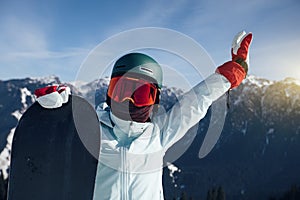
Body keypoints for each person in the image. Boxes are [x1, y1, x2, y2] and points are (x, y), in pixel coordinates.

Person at [35, 31, 253, 200]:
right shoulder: (91, 130)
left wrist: (233, 71)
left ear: (155, 100)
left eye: (141, 94)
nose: (129, 102)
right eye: (121, 90)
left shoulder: (159, 135)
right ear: (109, 93)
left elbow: (196, 102)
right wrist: (57, 110)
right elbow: (55, 141)